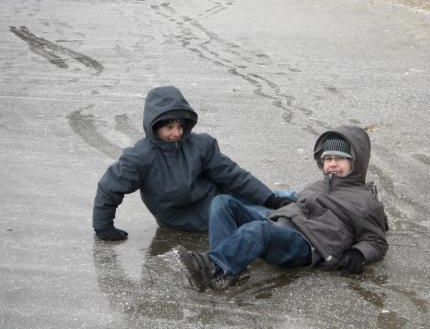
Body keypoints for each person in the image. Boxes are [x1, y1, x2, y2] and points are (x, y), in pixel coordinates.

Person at [174, 126, 389, 292]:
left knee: (259, 229)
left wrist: (359, 252)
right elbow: (296, 203)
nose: (332, 164)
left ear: (356, 162)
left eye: (340, 159)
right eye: (328, 159)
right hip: (279, 225)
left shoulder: (365, 202)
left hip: (307, 246)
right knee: (222, 202)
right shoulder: (316, 186)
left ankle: (211, 267)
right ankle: (227, 272)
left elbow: (376, 241)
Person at [93, 86, 295, 241]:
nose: (177, 133)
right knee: (271, 218)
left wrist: (269, 198)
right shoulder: (139, 157)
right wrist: (104, 228)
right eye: (169, 127)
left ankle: (318, 204)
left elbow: (232, 174)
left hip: (220, 195)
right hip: (191, 216)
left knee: (286, 198)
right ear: (153, 126)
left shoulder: (200, 145)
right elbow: (109, 188)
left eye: (180, 126)